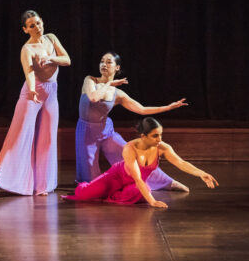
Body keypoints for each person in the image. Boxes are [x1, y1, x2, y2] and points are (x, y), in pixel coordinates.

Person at [0, 10, 71, 199]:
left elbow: (67, 60)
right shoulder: (27, 49)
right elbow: (29, 72)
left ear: (42, 22)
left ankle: (41, 185)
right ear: (25, 29)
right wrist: (31, 89)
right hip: (33, 93)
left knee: (47, 138)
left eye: (38, 23)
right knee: (18, 136)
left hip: (51, 93)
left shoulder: (51, 38)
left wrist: (51, 58)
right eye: (31, 25)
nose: (37, 27)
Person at [76, 51, 189, 192]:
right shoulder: (90, 80)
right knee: (92, 184)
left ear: (117, 67)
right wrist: (109, 83)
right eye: (102, 61)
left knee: (132, 154)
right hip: (87, 132)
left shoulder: (118, 94)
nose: (104, 64)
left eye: (109, 62)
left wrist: (168, 107)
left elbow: (142, 109)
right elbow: (94, 97)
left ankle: (166, 182)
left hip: (106, 130)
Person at [65, 117, 219, 207]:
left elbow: (180, 162)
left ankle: (112, 196)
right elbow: (137, 177)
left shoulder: (162, 148)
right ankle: (100, 190)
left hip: (134, 184)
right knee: (84, 195)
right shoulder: (130, 148)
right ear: (143, 136)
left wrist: (201, 173)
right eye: (155, 136)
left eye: (161, 135)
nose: (160, 139)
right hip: (115, 178)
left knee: (142, 190)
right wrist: (152, 202)